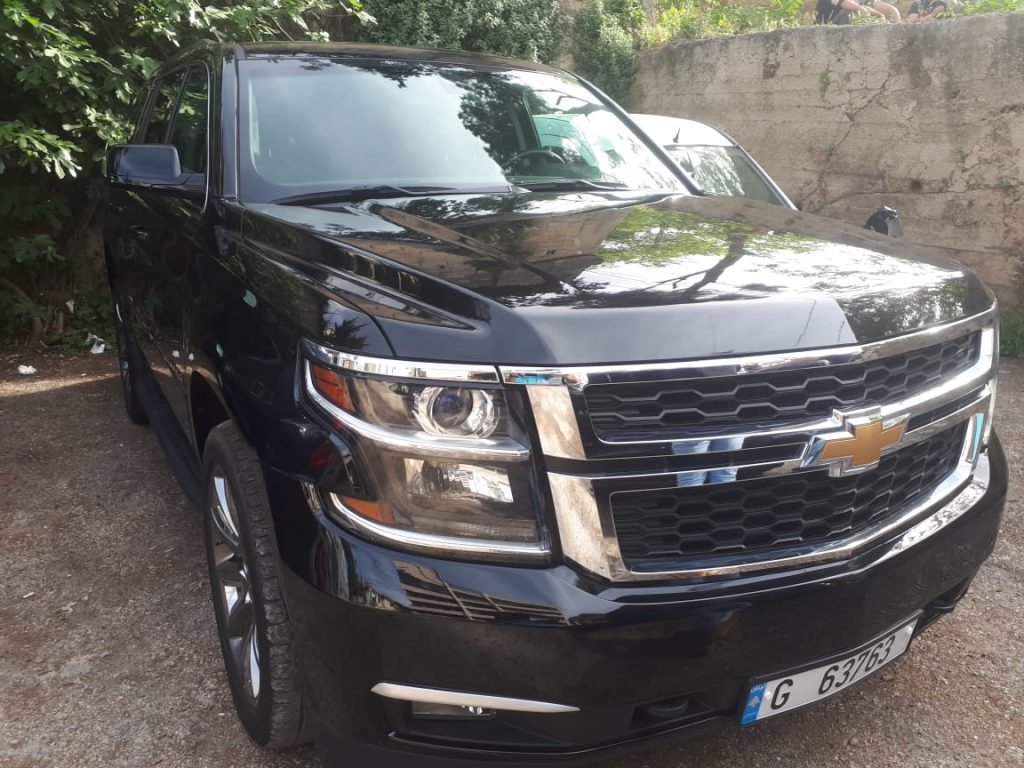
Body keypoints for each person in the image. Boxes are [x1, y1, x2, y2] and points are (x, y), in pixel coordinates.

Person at [815, 0, 890, 23]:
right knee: (847, 12)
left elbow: (863, 7)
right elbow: (859, 8)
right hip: (826, 28)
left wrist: (880, 15)